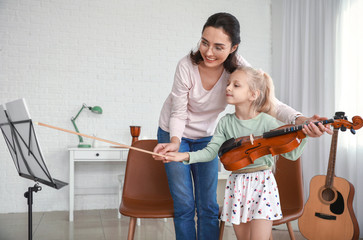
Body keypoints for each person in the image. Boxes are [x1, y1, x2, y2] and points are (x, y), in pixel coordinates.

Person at [153, 12, 328, 240]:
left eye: (218, 46)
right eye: (204, 43)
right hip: (173, 131)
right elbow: (178, 112)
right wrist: (175, 143)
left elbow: (268, 102)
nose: (208, 52)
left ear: (233, 47)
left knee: (207, 204)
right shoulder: (186, 66)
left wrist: (299, 119)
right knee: (184, 203)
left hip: (208, 135)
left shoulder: (238, 70)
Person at [161, 66, 313, 240]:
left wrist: (305, 134)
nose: (228, 88)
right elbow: (211, 152)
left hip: (262, 184)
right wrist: (182, 156)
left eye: (236, 85)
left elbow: (291, 155)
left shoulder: (268, 122)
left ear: (253, 94)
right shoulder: (225, 123)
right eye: (228, 83)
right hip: (238, 185)